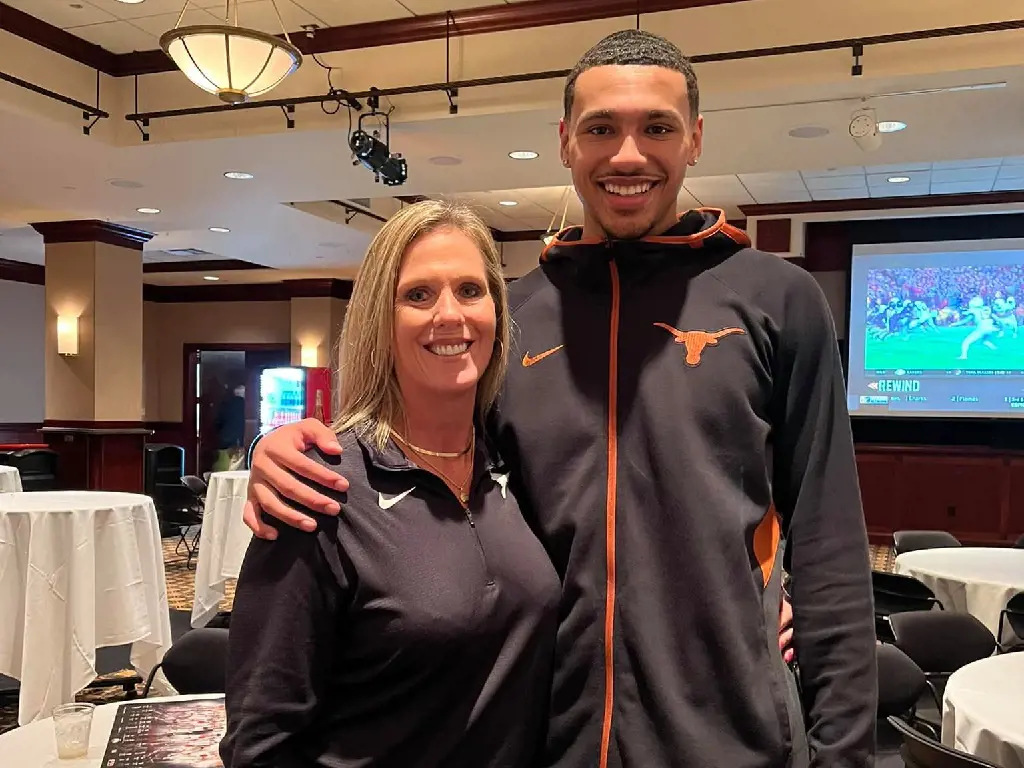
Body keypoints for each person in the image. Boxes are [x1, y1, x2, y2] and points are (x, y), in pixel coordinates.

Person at [241, 29, 876, 768]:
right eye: (602, 128)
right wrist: (276, 446)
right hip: (547, 742)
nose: (628, 154)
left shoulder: (777, 301)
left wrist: (846, 753)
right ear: (566, 142)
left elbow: (831, 550)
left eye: (657, 128)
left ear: (695, 140)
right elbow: (427, 457)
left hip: (732, 741)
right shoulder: (514, 319)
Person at [219, 201, 561, 768]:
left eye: (471, 291)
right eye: (418, 295)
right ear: (382, 319)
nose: (450, 314)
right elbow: (261, 739)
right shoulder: (319, 488)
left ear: (498, 315)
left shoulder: (515, 463)